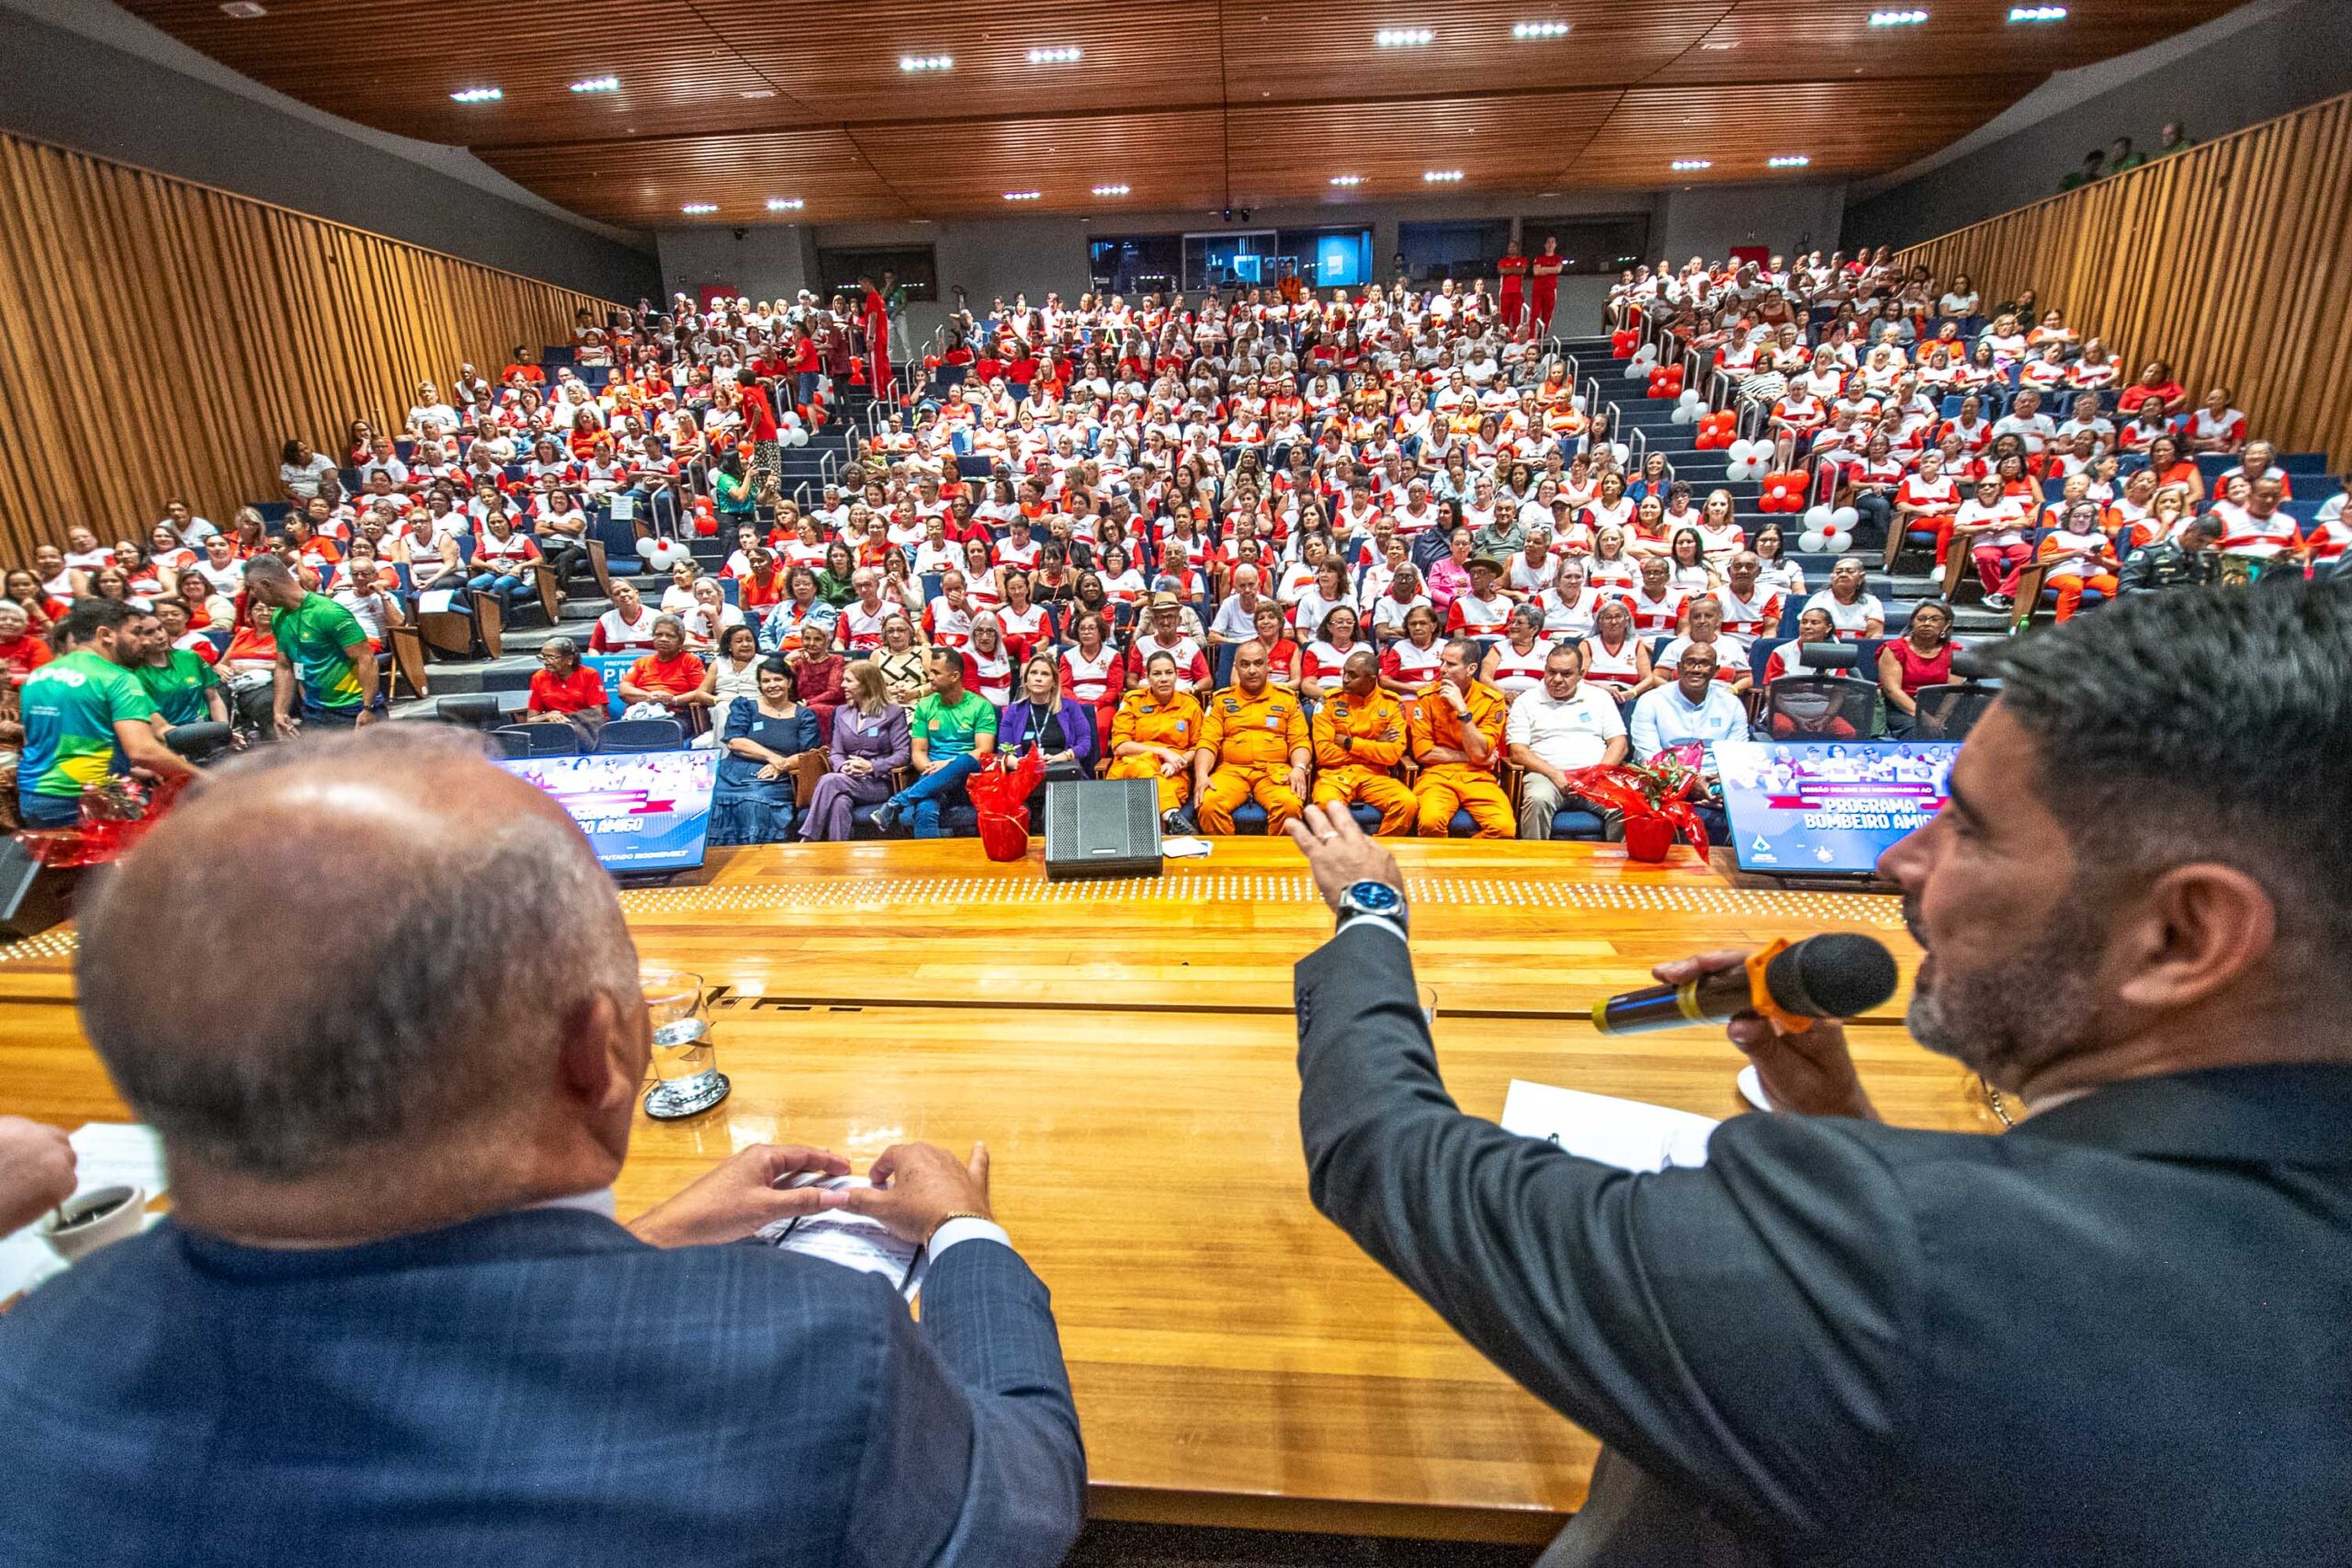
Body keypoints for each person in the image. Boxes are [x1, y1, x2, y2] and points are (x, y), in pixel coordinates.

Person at [1279, 581, 2352, 1568]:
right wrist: (1842, 1121)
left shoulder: (1905, 1266)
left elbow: (1385, 1151)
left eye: (1970, 830)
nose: (1898, 861)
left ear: (2182, 934)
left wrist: (1369, 913)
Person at [0, 726, 1084, 1565]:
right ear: (597, 1053)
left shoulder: (33, 1359)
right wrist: (964, 1234)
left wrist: (647, 1240)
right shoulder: (807, 1361)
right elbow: (1021, 1501)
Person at [15, 599, 197, 828]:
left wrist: (134, 772)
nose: (143, 641)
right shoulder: (116, 678)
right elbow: (142, 751)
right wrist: (204, 778)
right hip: (87, 801)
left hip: (33, 798)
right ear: (105, 634)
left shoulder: (38, 675)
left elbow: (36, 743)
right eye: (136, 632)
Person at [242, 556, 380, 735]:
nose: (252, 594)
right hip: (314, 710)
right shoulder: (278, 618)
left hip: (353, 708)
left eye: (253, 588)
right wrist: (280, 711)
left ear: (267, 584)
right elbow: (284, 666)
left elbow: (367, 660)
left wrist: (368, 708)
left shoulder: (328, 612)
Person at [1506, 642, 1630, 841]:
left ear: (1581, 674)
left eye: (1566, 674)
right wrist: (1556, 775)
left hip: (1596, 778)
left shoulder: (1600, 697)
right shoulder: (1526, 701)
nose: (1556, 679)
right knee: (1537, 799)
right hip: (1546, 776)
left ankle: (1612, 862)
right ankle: (1533, 859)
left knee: (1625, 804)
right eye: (1551, 672)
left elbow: (1619, 744)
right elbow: (1518, 751)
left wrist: (1594, 775)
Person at [1188, 639, 1311, 836]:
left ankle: (1276, 856)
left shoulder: (1287, 698)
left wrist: (1299, 767)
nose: (1252, 670)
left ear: (1268, 666)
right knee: (1208, 804)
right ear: (1236, 668)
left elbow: (1300, 741)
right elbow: (1208, 742)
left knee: (1290, 805)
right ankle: (1227, 855)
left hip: (1275, 771)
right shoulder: (1221, 700)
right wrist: (1202, 774)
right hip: (1231, 771)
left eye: (1258, 663)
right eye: (1245, 664)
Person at [871, 648, 997, 838]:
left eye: (936, 673)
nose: (930, 677)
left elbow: (983, 751)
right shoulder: (925, 705)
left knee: (965, 760)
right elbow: (918, 752)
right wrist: (932, 770)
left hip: (967, 779)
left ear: (954, 676)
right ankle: (927, 858)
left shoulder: (981, 706)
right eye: (930, 671)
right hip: (931, 775)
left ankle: (897, 801)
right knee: (924, 808)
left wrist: (948, 765)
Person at [709, 657, 820, 846]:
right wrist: (773, 757)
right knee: (715, 799)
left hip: (777, 776)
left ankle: (758, 855)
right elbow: (734, 741)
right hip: (734, 771)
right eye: (766, 681)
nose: (772, 685)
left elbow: (809, 754)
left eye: (778, 679)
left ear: (789, 682)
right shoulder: (745, 706)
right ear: (760, 685)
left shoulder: (804, 716)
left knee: (754, 802)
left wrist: (784, 764)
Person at [1408, 638, 1511, 839]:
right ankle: (1441, 860)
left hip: (1478, 777)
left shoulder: (1492, 701)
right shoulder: (1428, 697)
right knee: (1430, 822)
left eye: (1451, 664)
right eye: (1442, 662)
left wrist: (1463, 710)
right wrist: (1470, 757)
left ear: (1471, 668)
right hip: (1437, 776)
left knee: (1504, 829)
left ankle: (1460, 859)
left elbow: (1481, 753)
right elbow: (1423, 753)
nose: (1442, 669)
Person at [1306, 649, 1415, 836]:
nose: (1345, 679)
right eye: (1344, 672)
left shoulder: (1391, 704)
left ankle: (1379, 849)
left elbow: (1392, 755)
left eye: (1352, 675)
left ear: (1371, 680)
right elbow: (1325, 754)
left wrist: (1349, 743)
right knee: (1325, 805)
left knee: (1407, 803)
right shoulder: (1329, 702)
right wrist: (1375, 744)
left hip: (1375, 775)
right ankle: (1339, 851)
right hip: (1334, 775)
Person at [801, 659, 911, 842]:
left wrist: (871, 766)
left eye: (849, 680)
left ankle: (809, 837)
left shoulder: (893, 713)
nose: (842, 685)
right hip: (846, 778)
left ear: (867, 684)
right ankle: (839, 851)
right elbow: (836, 752)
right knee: (839, 802)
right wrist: (843, 766)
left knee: (829, 780)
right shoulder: (841, 712)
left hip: (878, 782)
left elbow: (902, 755)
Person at [1107, 650, 1205, 830]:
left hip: (1172, 771)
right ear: (1147, 677)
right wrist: (1163, 752)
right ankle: (1173, 818)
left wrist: (1180, 762)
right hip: (1131, 767)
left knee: (1153, 798)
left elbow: (1199, 747)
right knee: (1143, 769)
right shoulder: (1133, 701)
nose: (1164, 679)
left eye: (1169, 673)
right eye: (1157, 674)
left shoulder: (1190, 704)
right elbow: (1120, 746)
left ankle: (1167, 830)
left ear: (1177, 675)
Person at [1627, 642, 1747, 764]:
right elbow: (1648, 754)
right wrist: (1681, 774)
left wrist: (1720, 773)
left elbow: (1735, 752)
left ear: (1715, 671)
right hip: (1664, 772)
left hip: (1716, 772)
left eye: (1704, 663)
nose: (1696, 669)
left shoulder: (1732, 704)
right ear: (1679, 668)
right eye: (1690, 663)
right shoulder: (1651, 701)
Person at [997, 654, 1094, 784]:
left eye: (1045, 674)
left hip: (1062, 772)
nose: (1038, 678)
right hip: (1024, 776)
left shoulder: (1071, 707)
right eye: (1033, 673)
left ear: (1054, 682)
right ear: (1026, 679)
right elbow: (1004, 748)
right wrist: (1016, 762)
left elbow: (1085, 743)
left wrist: (1064, 756)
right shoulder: (1013, 711)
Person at [128, 606, 229, 730]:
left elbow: (213, 698)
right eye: (149, 633)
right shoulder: (134, 674)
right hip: (168, 735)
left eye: (160, 628)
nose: (160, 636)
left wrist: (224, 729)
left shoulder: (190, 657)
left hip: (206, 730)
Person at [1877, 600, 1963, 736]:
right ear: (1913, 622)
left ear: (1947, 624)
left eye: (1935, 619)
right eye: (1921, 619)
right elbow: (1892, 690)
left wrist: (1940, 718)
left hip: (1940, 706)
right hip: (1901, 707)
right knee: (1918, 730)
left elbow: (1954, 691)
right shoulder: (1894, 649)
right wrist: (1926, 719)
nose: (1927, 623)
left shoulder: (1954, 651)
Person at [617, 616, 710, 728]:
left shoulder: (690, 661)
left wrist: (674, 700)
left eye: (670, 636)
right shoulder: (641, 662)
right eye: (659, 635)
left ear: (680, 641)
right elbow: (624, 690)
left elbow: (702, 691)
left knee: (660, 729)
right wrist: (650, 696)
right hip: (640, 712)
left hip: (676, 714)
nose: (663, 639)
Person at [522, 637, 608, 744]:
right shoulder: (539, 677)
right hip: (555, 732)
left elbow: (597, 715)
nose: (546, 662)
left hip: (587, 730)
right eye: (543, 657)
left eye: (551, 657)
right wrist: (548, 716)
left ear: (569, 659)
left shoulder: (589, 674)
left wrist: (568, 718)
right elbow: (531, 719)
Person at [2118, 513, 2222, 594]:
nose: (2202, 546)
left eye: (2208, 543)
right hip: (2155, 609)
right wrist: (2167, 596)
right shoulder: (2150, 553)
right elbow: (2126, 590)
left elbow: (2214, 592)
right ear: (2188, 530)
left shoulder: (2208, 559)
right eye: (2199, 540)